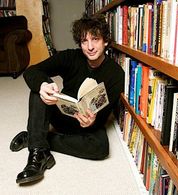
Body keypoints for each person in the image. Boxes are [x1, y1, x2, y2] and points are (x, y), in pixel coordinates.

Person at [9, 13, 124, 184]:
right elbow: (32, 71)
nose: (90, 47)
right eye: (85, 41)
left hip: (86, 123)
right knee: (41, 88)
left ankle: (35, 137)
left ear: (105, 41)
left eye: (95, 39)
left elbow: (104, 114)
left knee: (100, 148)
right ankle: (38, 153)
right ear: (80, 43)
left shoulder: (116, 74)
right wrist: (43, 86)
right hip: (61, 113)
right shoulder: (70, 57)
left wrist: (92, 121)